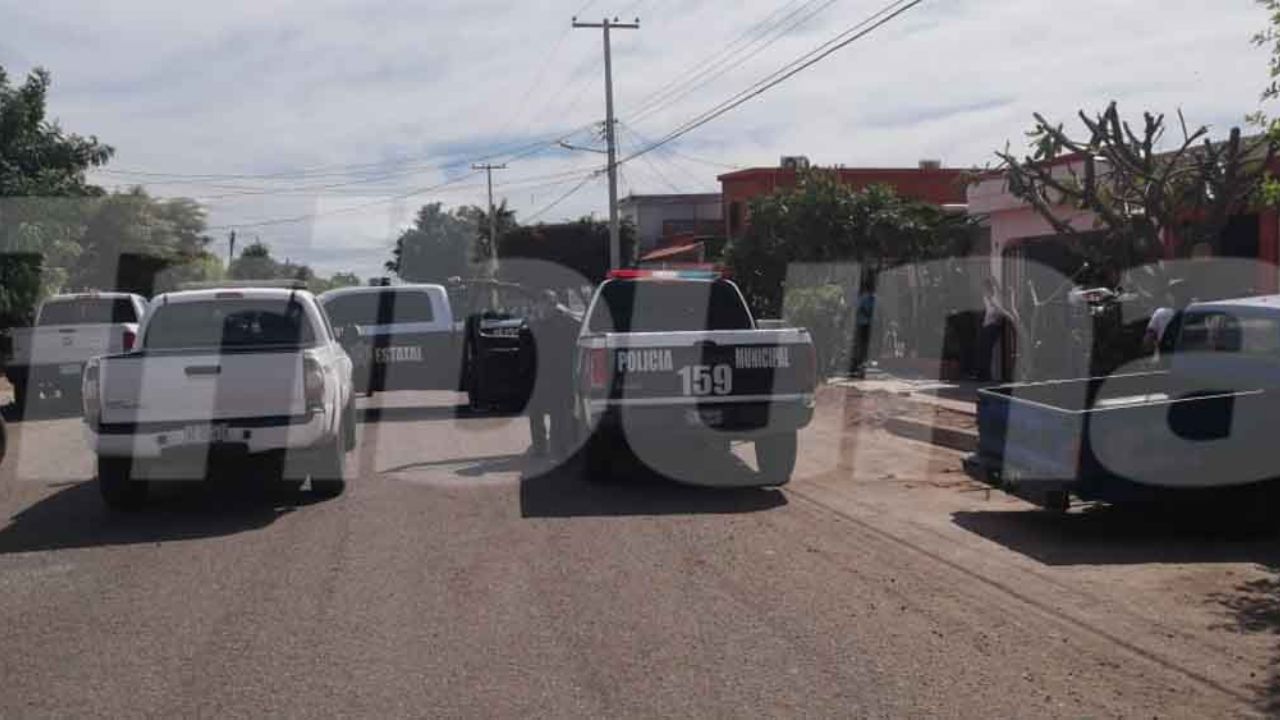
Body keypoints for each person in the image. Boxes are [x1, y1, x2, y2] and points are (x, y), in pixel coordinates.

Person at [526, 290, 581, 458]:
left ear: (554, 305)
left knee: (559, 414)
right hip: (539, 376)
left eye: (547, 304)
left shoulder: (568, 322)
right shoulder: (534, 323)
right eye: (540, 304)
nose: (543, 308)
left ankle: (560, 449)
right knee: (535, 413)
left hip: (561, 375)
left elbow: (581, 336)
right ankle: (540, 448)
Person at [972, 278, 1007, 381]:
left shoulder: (995, 298)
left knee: (987, 350)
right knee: (981, 349)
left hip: (993, 326)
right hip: (986, 325)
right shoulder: (985, 298)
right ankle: (980, 373)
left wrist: (993, 302)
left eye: (985, 288)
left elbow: (999, 313)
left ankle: (985, 374)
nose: (984, 291)